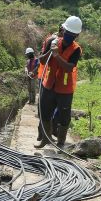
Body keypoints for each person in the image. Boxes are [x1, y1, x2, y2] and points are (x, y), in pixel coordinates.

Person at [35, 16, 83, 148]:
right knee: (45, 112)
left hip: (65, 89)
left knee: (64, 116)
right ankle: (45, 139)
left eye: (72, 35)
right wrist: (51, 51)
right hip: (49, 84)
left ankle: (61, 142)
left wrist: (57, 56)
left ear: (77, 35)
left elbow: (69, 67)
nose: (69, 36)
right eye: (67, 33)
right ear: (63, 30)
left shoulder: (76, 49)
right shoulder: (53, 42)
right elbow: (42, 60)